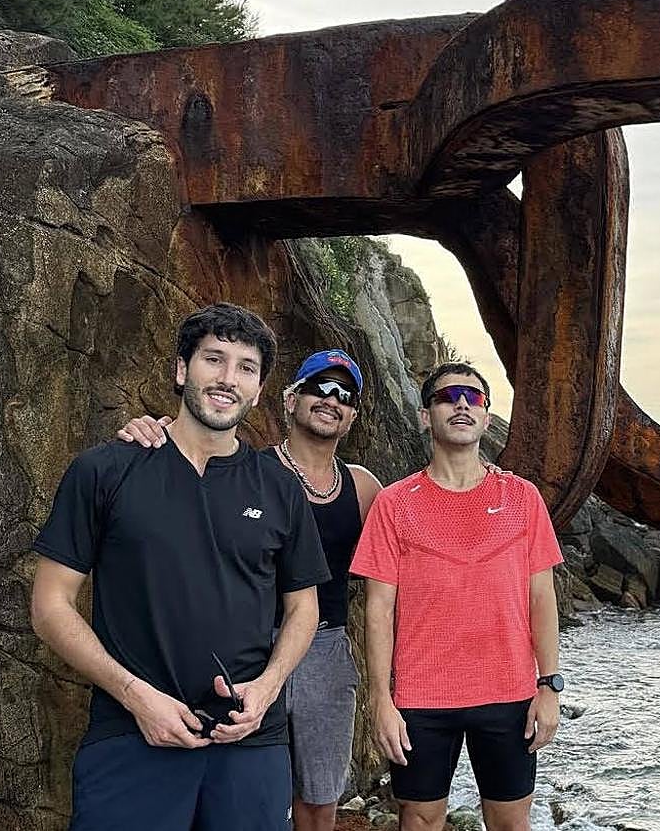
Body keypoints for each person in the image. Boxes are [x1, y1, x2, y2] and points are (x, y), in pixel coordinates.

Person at [30, 303, 329, 831]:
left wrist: (267, 689)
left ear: (259, 391)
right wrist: (135, 696)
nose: (227, 379)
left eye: (245, 367)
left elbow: (303, 607)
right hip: (130, 735)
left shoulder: (280, 488)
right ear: (180, 369)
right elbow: (51, 604)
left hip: (250, 743)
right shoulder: (105, 471)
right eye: (214, 359)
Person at [118, 348, 382, 831]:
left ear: (353, 416)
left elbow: (396, 576)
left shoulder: (364, 489)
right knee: (241, 786)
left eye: (344, 394)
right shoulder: (247, 471)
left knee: (321, 797)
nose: (331, 399)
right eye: (318, 387)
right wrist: (150, 431)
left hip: (325, 647)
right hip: (249, 645)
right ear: (288, 398)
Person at [351, 362, 564, 831]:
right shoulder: (394, 503)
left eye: (474, 397)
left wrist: (549, 687)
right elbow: (378, 608)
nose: (462, 403)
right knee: (420, 819)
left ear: (487, 418)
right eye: (448, 397)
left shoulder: (523, 498)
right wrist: (380, 700)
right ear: (426, 416)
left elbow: (542, 598)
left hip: (508, 692)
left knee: (510, 822)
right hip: (421, 696)